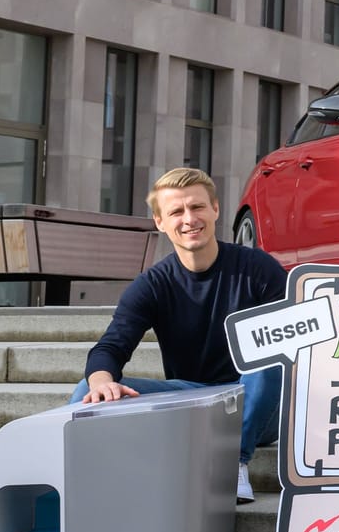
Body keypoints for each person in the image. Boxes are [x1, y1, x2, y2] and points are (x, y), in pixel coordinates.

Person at [76, 167, 287, 504]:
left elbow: (301, 334)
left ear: (216, 209)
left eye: (198, 207)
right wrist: (101, 381)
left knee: (270, 352)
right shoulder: (152, 285)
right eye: (176, 211)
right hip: (195, 401)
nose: (189, 219)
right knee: (87, 390)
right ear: (160, 222)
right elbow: (110, 347)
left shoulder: (259, 268)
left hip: (259, 404)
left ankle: (232, 464)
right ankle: (80, 486)